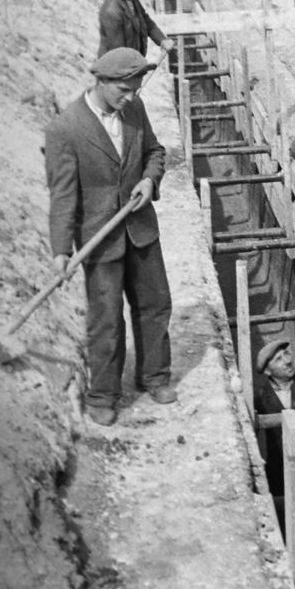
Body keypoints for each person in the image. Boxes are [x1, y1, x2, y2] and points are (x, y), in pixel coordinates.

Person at [45, 48, 175, 425]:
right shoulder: (65, 129)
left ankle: (155, 376)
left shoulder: (134, 109)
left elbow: (155, 151)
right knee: (106, 320)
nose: (130, 97)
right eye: (123, 89)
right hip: (99, 240)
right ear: (100, 82)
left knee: (155, 304)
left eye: (134, 89)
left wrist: (150, 179)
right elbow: (62, 197)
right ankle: (103, 395)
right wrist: (60, 251)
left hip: (141, 229)